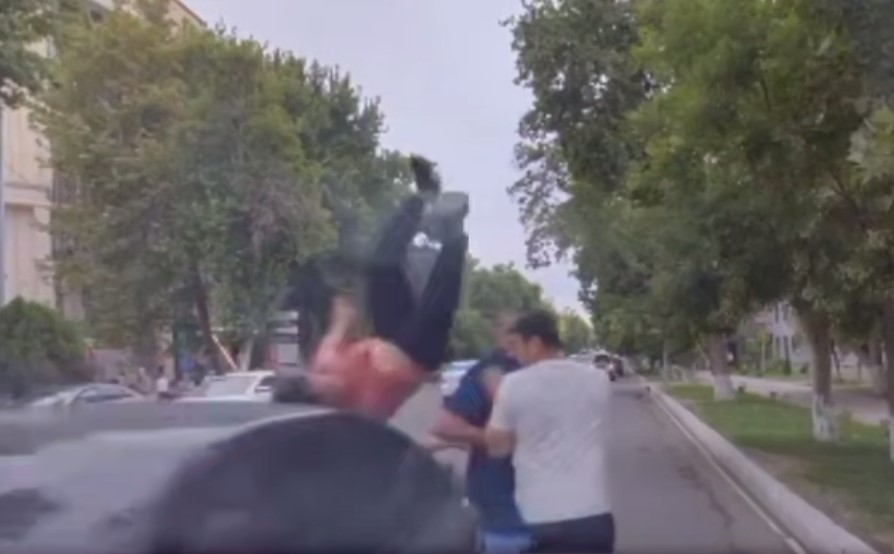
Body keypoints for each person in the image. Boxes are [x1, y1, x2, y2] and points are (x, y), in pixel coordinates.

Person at [276, 154, 469, 419]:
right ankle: (455, 232)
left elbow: (341, 321)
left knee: (380, 266)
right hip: (419, 357)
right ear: (326, 405)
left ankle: (422, 197)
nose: (332, 383)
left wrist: (343, 309)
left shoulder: (324, 363)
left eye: (323, 382)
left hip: (388, 333)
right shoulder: (364, 410)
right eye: (328, 393)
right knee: (437, 304)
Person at [485, 310, 615, 554]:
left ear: (535, 344)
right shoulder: (599, 379)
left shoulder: (512, 384)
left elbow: (498, 448)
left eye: (516, 346)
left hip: (538, 518)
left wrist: (497, 401)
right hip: (594, 517)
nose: (512, 354)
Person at [430, 314, 531, 554]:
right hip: (538, 515)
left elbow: (446, 426)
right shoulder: (500, 371)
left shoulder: (490, 372)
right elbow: (446, 427)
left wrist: (491, 439)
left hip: (505, 516)